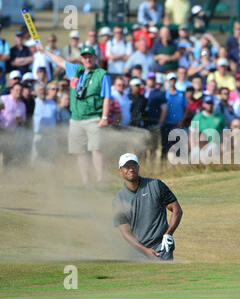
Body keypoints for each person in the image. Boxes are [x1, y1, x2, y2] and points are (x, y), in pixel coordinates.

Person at [37, 44, 111, 184]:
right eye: (85, 57)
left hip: (94, 117)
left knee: (96, 148)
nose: (87, 59)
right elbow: (58, 60)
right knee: (79, 151)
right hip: (76, 118)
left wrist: (104, 117)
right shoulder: (76, 70)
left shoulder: (102, 74)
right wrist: (44, 50)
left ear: (95, 57)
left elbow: (106, 97)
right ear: (81, 59)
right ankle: (85, 180)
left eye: (90, 57)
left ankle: (100, 179)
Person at [113, 153, 183, 261]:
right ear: (120, 171)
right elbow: (125, 232)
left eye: (133, 165)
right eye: (127, 167)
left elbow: (176, 209)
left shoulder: (155, 185)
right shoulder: (118, 200)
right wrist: (145, 251)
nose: (131, 169)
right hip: (138, 252)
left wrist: (168, 234)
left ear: (138, 167)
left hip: (162, 247)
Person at [31, 83, 58, 165]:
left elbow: (57, 120)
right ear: (36, 92)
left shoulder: (52, 103)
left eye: (43, 89)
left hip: (50, 136)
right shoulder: (33, 103)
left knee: (50, 160)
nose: (42, 92)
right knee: (35, 159)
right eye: (40, 90)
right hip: (38, 136)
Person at [162, 73, 186, 159]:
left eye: (174, 79)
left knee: (178, 147)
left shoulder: (181, 94)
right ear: (167, 81)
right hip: (166, 124)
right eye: (170, 80)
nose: (172, 81)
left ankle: (178, 166)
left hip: (177, 124)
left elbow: (185, 108)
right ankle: (164, 166)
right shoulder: (164, 94)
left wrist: (181, 120)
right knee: (165, 146)